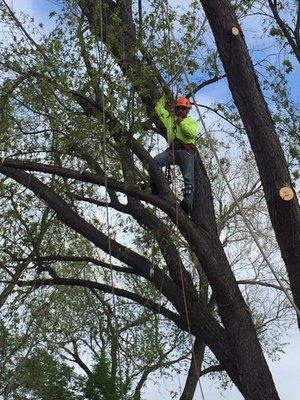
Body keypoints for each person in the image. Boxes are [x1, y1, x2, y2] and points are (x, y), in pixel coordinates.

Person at [151, 95, 199, 215]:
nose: (181, 110)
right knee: (155, 161)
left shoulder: (191, 122)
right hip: (172, 151)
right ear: (176, 109)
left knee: (188, 178)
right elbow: (158, 109)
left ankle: (187, 203)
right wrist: (164, 97)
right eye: (179, 108)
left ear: (188, 110)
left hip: (186, 152)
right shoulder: (170, 120)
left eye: (184, 108)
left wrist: (181, 122)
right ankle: (156, 185)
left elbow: (191, 134)